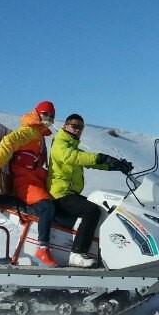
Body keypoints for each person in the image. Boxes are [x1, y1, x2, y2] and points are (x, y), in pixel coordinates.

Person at [48, 113, 133, 268]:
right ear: (65, 126)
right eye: (74, 126)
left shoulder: (72, 146)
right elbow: (75, 157)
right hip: (60, 195)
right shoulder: (60, 144)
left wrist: (115, 165)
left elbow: (90, 162)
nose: (78, 130)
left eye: (81, 127)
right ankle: (77, 254)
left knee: (102, 208)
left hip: (70, 194)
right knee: (91, 211)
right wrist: (102, 157)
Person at [0, 101, 58, 266]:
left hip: (35, 180)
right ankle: (43, 249)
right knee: (46, 207)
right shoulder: (28, 131)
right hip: (25, 181)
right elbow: (9, 142)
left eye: (52, 116)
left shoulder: (38, 135)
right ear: (37, 113)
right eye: (46, 114)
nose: (49, 118)